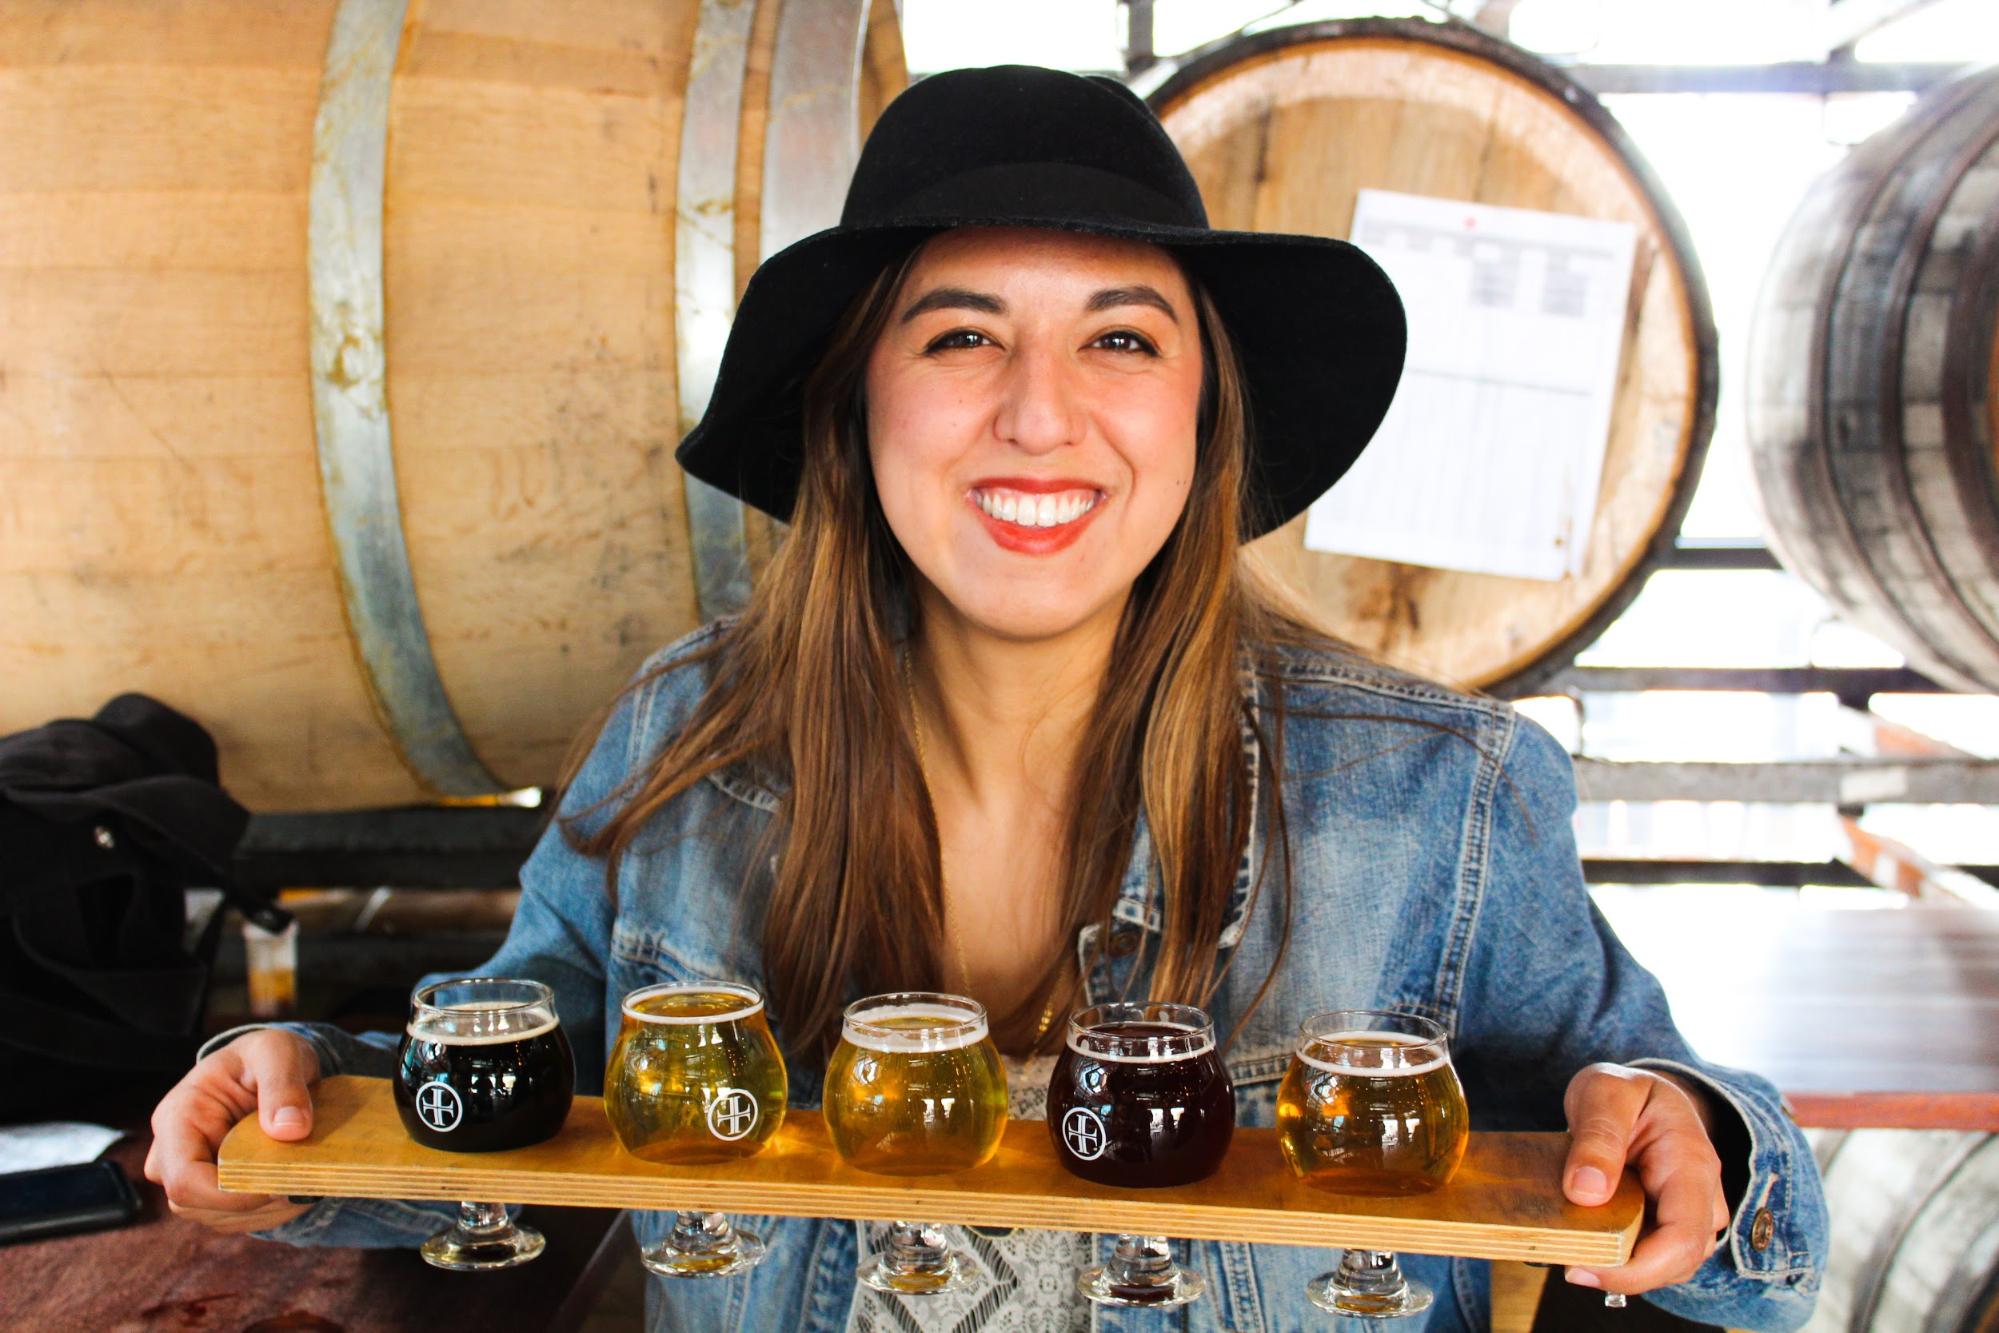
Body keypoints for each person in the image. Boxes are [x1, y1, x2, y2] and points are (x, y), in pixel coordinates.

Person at [146, 65, 1826, 1331]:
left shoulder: (1437, 794)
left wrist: (1695, 1142)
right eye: (960, 336)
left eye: (1120, 339)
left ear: (1201, 415)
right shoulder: (684, 741)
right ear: (853, 402)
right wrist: (288, 1091)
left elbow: (1746, 1234)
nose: (1041, 416)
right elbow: (488, 1096)